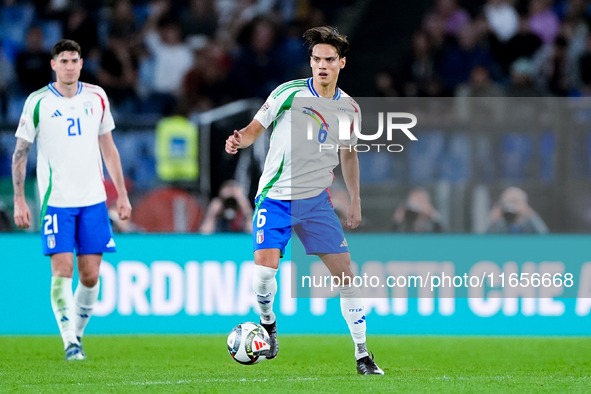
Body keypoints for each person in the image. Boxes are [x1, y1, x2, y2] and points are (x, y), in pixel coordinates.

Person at [225, 26, 384, 375]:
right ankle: (268, 326)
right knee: (263, 276)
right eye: (316, 59)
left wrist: (355, 198)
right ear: (310, 63)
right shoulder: (288, 93)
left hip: (316, 202)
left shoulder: (349, 109)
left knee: (346, 276)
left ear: (341, 62)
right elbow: (255, 128)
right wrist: (240, 139)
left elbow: (350, 155)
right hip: (275, 199)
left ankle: (362, 354)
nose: (322, 65)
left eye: (329, 59)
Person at [11, 39, 132, 361]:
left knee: (91, 275)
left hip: (93, 199)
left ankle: (75, 333)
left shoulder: (97, 97)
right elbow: (20, 154)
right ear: (53, 65)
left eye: (74, 60)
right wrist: (20, 199)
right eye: (63, 60)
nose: (69, 65)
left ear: (81, 63)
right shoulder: (37, 102)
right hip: (56, 201)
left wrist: (121, 194)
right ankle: (70, 343)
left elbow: (109, 148)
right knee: (62, 269)